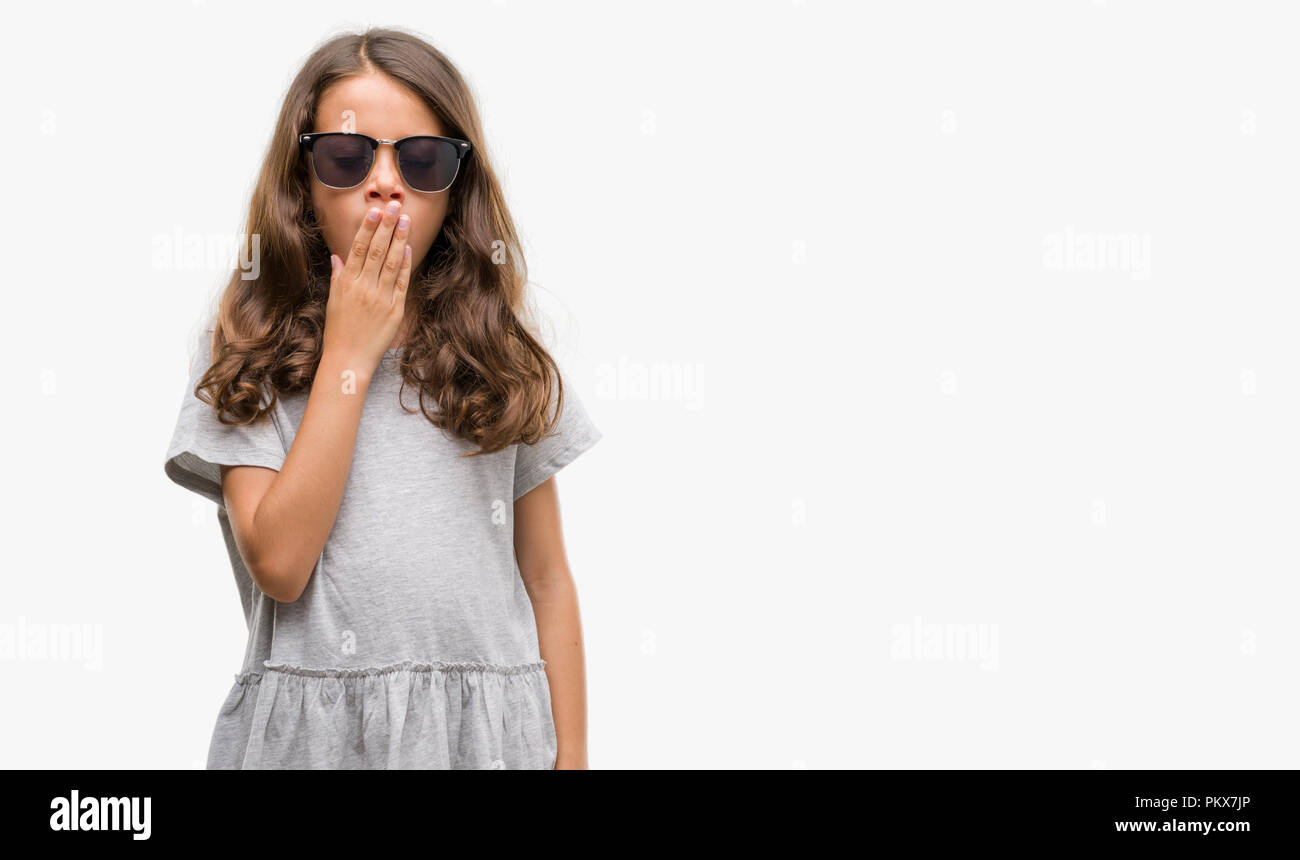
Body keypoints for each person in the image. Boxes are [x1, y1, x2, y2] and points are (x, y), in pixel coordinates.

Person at [163, 27, 602, 769]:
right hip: (320, 740)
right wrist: (349, 355)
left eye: (422, 159)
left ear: (455, 187)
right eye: (347, 155)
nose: (385, 182)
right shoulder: (248, 343)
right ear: (302, 181)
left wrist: (574, 757)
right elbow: (279, 563)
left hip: (488, 740)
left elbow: (548, 577)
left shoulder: (499, 349)